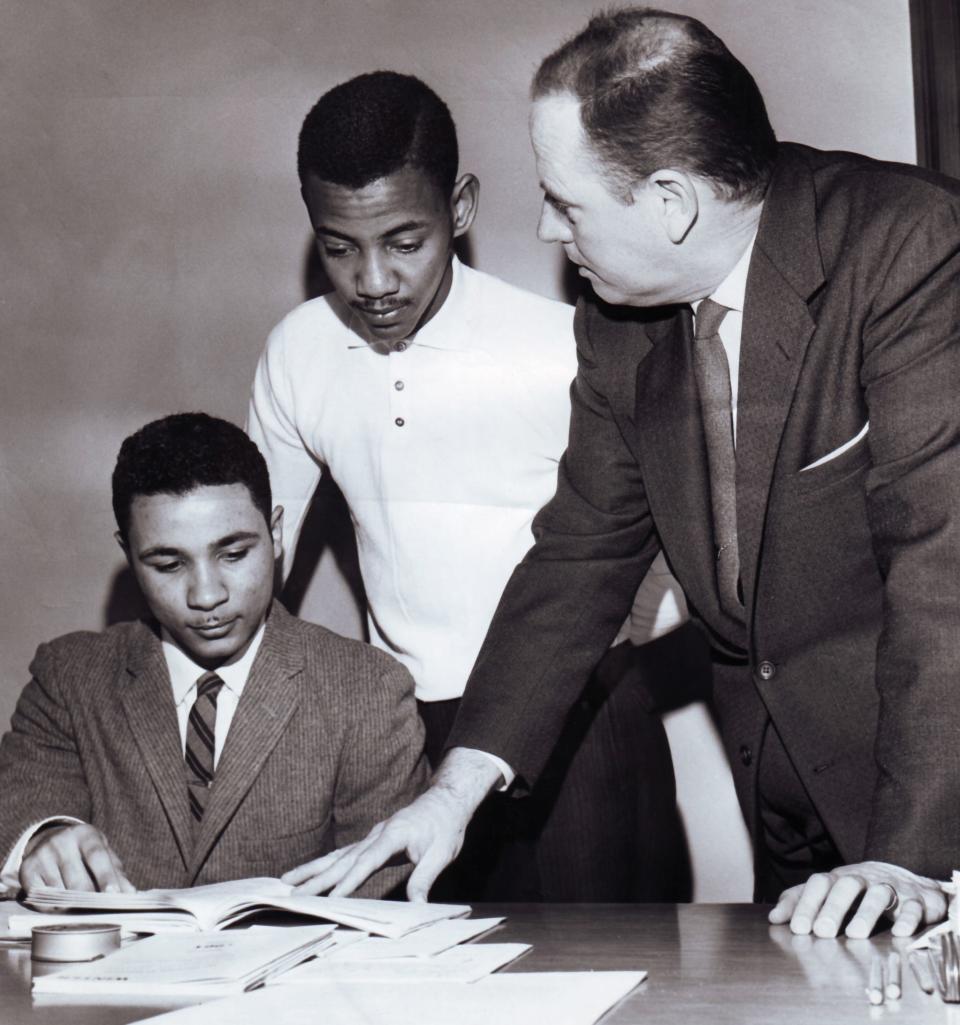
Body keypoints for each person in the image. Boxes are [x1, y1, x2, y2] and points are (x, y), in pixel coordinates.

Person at [285, 9, 960, 939]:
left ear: (672, 201)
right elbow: (578, 554)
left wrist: (913, 855)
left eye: (567, 202)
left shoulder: (907, 247)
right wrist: (455, 786)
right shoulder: (617, 320)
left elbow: (943, 572)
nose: (545, 230)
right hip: (787, 803)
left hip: (928, 800)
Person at [248, 70, 699, 901]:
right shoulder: (297, 352)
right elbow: (250, 562)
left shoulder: (557, 346)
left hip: (581, 716)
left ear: (459, 208)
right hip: (403, 732)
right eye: (341, 247)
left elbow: (691, 527)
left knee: (606, 992)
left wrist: (624, 633)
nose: (373, 280)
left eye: (404, 241)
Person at [0, 412, 426, 897]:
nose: (205, 596)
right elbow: (20, 808)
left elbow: (382, 898)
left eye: (234, 554)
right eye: (168, 563)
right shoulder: (68, 678)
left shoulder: (367, 688)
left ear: (277, 535)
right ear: (129, 555)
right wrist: (44, 840)